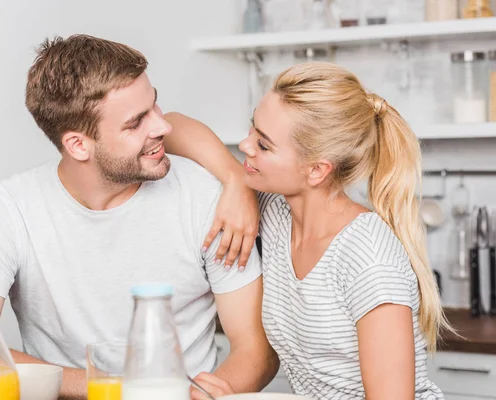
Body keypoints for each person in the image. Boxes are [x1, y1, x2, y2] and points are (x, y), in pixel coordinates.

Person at [0, 34, 278, 399]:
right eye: (136, 122)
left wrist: (208, 392)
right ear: (78, 145)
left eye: (155, 106)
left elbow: (257, 351)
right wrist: (118, 389)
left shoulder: (206, 198)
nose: (162, 127)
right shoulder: (5, 210)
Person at [163, 61, 451, 399]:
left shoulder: (369, 258)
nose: (245, 145)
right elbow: (169, 126)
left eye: (264, 145)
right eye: (252, 128)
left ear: (316, 170)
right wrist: (232, 178)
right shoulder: (276, 212)